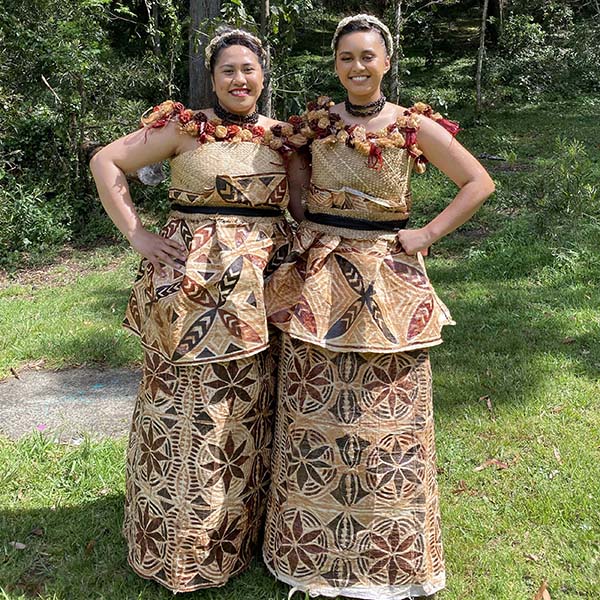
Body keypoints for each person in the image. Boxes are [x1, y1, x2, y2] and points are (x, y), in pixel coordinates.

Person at [262, 14, 495, 600]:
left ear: (386, 62)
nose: (357, 67)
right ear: (336, 65)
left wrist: (427, 234)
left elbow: (478, 182)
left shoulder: (412, 126)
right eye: (346, 57)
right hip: (319, 276)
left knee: (386, 410)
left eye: (367, 56)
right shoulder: (315, 125)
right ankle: (312, 554)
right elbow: (293, 187)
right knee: (314, 404)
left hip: (387, 277)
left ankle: (388, 552)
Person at [90, 27, 304, 592]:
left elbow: (306, 204)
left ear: (263, 74)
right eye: (228, 69)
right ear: (212, 77)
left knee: (247, 409)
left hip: (260, 289)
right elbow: (107, 162)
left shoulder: (281, 137)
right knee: (186, 405)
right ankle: (175, 544)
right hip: (192, 290)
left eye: (248, 69)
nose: (239, 79)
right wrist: (136, 233)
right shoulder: (184, 129)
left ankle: (239, 538)